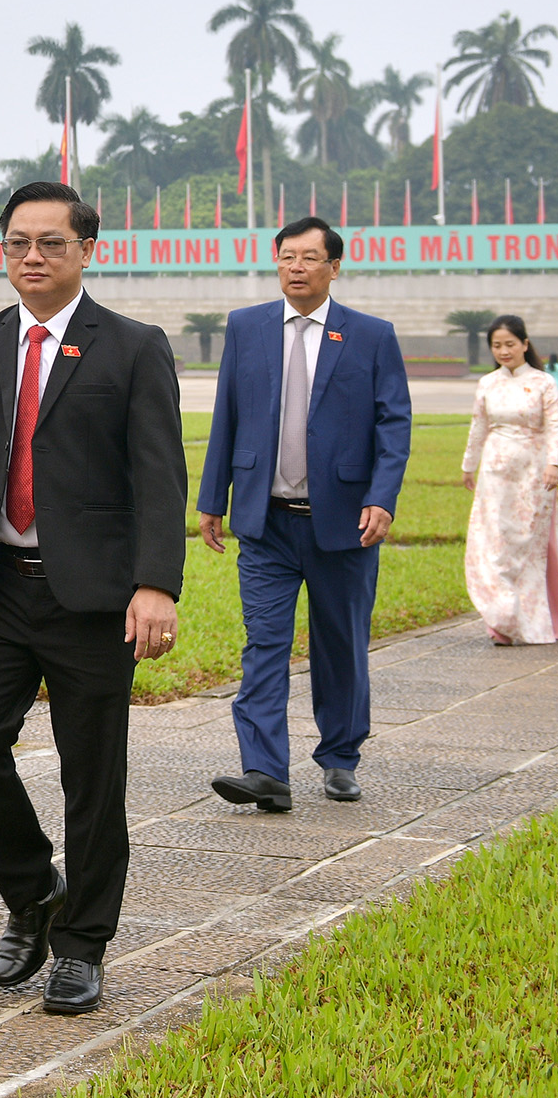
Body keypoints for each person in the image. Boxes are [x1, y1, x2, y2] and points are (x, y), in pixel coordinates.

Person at [0, 181, 184, 1017]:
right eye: (19, 243)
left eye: (51, 243)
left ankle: (81, 945)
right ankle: (33, 892)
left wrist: (154, 585)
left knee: (92, 778)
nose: (33, 257)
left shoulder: (132, 347)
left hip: (93, 599)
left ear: (85, 249)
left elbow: (159, 476)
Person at [198, 216, 410, 812]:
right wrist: (213, 498)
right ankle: (265, 770)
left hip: (342, 521)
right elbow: (228, 413)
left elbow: (395, 425)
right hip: (266, 521)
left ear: (334, 267)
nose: (296, 267)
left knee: (339, 644)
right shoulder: (247, 327)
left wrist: (381, 496)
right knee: (263, 641)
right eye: (287, 256)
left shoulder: (370, 335)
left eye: (309, 257)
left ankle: (341, 756)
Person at [459, 315, 558, 645]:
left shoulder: (544, 382)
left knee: (526, 544)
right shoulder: (488, 383)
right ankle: (501, 617)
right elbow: (478, 426)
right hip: (495, 471)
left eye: (510, 344)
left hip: (534, 473)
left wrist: (554, 464)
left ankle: (530, 620)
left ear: (525, 344)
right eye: (497, 345)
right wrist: (469, 465)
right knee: (494, 542)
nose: (504, 351)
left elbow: (555, 427)